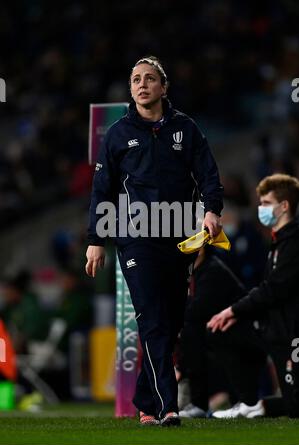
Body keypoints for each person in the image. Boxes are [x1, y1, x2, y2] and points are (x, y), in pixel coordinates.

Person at [86, 56, 223, 426]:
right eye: (135, 80)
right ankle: (168, 406)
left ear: (163, 87)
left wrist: (212, 210)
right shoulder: (117, 134)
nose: (141, 84)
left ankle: (145, 401)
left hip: (179, 237)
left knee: (171, 320)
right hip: (135, 239)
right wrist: (96, 239)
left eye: (149, 79)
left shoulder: (186, 129)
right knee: (153, 320)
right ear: (131, 89)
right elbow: (103, 190)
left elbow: (208, 174)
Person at [207, 173, 299, 418]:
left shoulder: (293, 243)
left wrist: (234, 310)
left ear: (284, 206)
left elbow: (274, 289)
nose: (261, 209)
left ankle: (260, 405)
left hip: (291, 333)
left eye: (267, 203)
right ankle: (247, 401)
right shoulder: (278, 242)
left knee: (296, 406)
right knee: (221, 329)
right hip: (273, 326)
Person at [177, 245, 268, 418]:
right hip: (225, 333)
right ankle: (199, 403)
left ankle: (239, 402)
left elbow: (196, 311)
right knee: (193, 333)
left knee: (198, 332)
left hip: (248, 333)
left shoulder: (213, 271)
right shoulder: (193, 272)